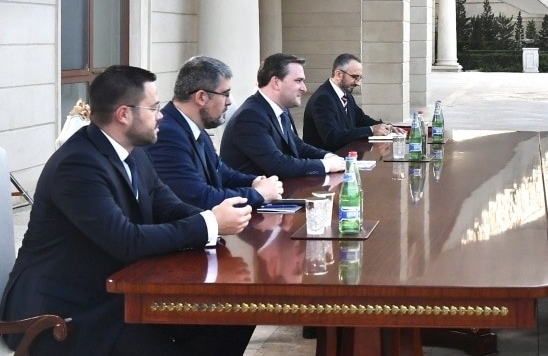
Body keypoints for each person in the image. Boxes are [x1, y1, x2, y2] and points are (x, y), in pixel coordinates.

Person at [0, 65, 253, 355]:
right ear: (123, 114)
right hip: (61, 311)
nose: (161, 115)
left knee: (233, 314)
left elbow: (168, 206)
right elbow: (127, 241)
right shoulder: (78, 165)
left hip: (113, 292)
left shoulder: (135, 152)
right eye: (153, 108)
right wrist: (210, 223)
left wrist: (216, 220)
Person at [147, 55, 283, 210]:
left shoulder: (195, 127)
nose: (229, 102)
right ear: (201, 97)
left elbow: (222, 173)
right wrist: (258, 194)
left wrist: (256, 182)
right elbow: (199, 198)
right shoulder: (167, 134)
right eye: (225, 94)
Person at [220, 53, 345, 178]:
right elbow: (278, 165)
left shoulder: (279, 109)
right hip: (256, 190)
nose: (304, 88)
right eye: (298, 81)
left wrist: (328, 156)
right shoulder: (250, 117)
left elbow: (297, 146)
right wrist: (326, 165)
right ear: (276, 83)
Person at [303, 53, 399, 153]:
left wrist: (386, 127)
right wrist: (371, 130)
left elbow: (361, 120)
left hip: (346, 154)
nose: (358, 83)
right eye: (354, 77)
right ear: (339, 74)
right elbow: (331, 137)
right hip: (326, 159)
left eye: (360, 78)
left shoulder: (346, 95)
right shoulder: (323, 98)